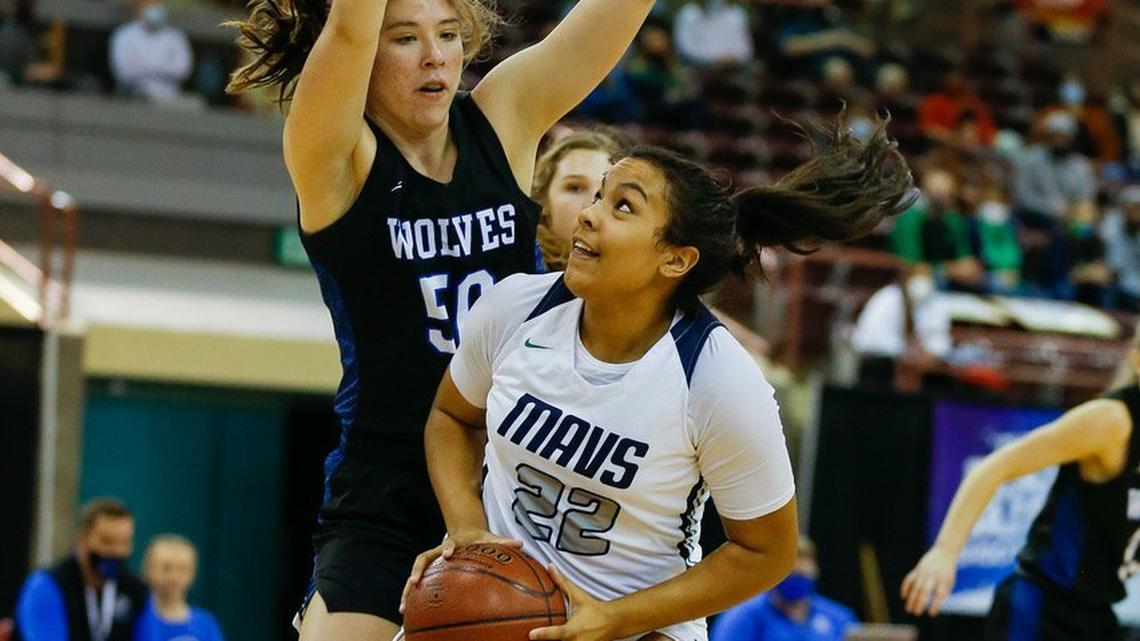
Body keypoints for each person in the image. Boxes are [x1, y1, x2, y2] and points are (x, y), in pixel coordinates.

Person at [226, 0, 659, 638]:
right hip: (389, 487)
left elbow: (611, 18)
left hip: (525, 477)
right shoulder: (336, 155)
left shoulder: (503, 116)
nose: (436, 56)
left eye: (450, 34)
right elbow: (347, 27)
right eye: (405, 38)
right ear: (363, 56)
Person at [401, 116, 914, 640]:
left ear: (675, 259)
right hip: (499, 600)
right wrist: (467, 534)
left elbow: (768, 550)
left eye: (622, 206)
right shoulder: (514, 307)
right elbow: (452, 417)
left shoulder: (716, 378)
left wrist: (616, 619)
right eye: (597, 196)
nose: (587, 215)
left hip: (641, 627)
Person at [902, 325, 1140, 640]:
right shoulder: (1111, 421)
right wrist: (945, 553)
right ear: (1137, 361)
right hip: (1043, 607)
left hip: (1099, 617)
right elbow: (992, 468)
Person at [532, 128, 768, 354]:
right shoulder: (519, 283)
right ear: (542, 202)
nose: (588, 209)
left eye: (620, 203)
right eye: (574, 188)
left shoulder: (698, 351)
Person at [13, 498, 149, 641]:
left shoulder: (136, 591)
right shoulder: (47, 586)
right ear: (82, 539)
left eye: (124, 542)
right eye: (106, 541)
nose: (116, 552)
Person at [710, 537, 859, 641]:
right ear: (774, 575)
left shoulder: (839, 618)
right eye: (790, 575)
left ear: (815, 572)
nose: (795, 581)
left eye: (801, 575)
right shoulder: (741, 617)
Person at [135, 536, 224, 641]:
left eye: (182, 569)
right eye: (166, 568)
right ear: (148, 570)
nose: (174, 578)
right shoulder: (135, 618)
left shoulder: (206, 624)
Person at [109, 0, 193, 101]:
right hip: (133, 98)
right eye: (149, 5)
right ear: (139, 8)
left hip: (168, 98)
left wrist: (146, 67)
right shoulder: (124, 35)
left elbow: (182, 70)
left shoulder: (175, 37)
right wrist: (163, 69)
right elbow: (123, 72)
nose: (154, 8)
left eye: (156, 4)